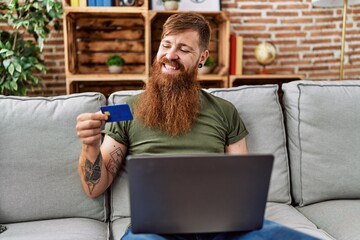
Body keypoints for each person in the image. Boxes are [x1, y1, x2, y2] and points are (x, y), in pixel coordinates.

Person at [76, 12, 319, 240]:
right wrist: (90, 144)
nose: (171, 55)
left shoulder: (224, 111)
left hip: (222, 228)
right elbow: (94, 189)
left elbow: (242, 191)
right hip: (155, 231)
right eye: (166, 45)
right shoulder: (125, 110)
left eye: (183, 49)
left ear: (202, 57)